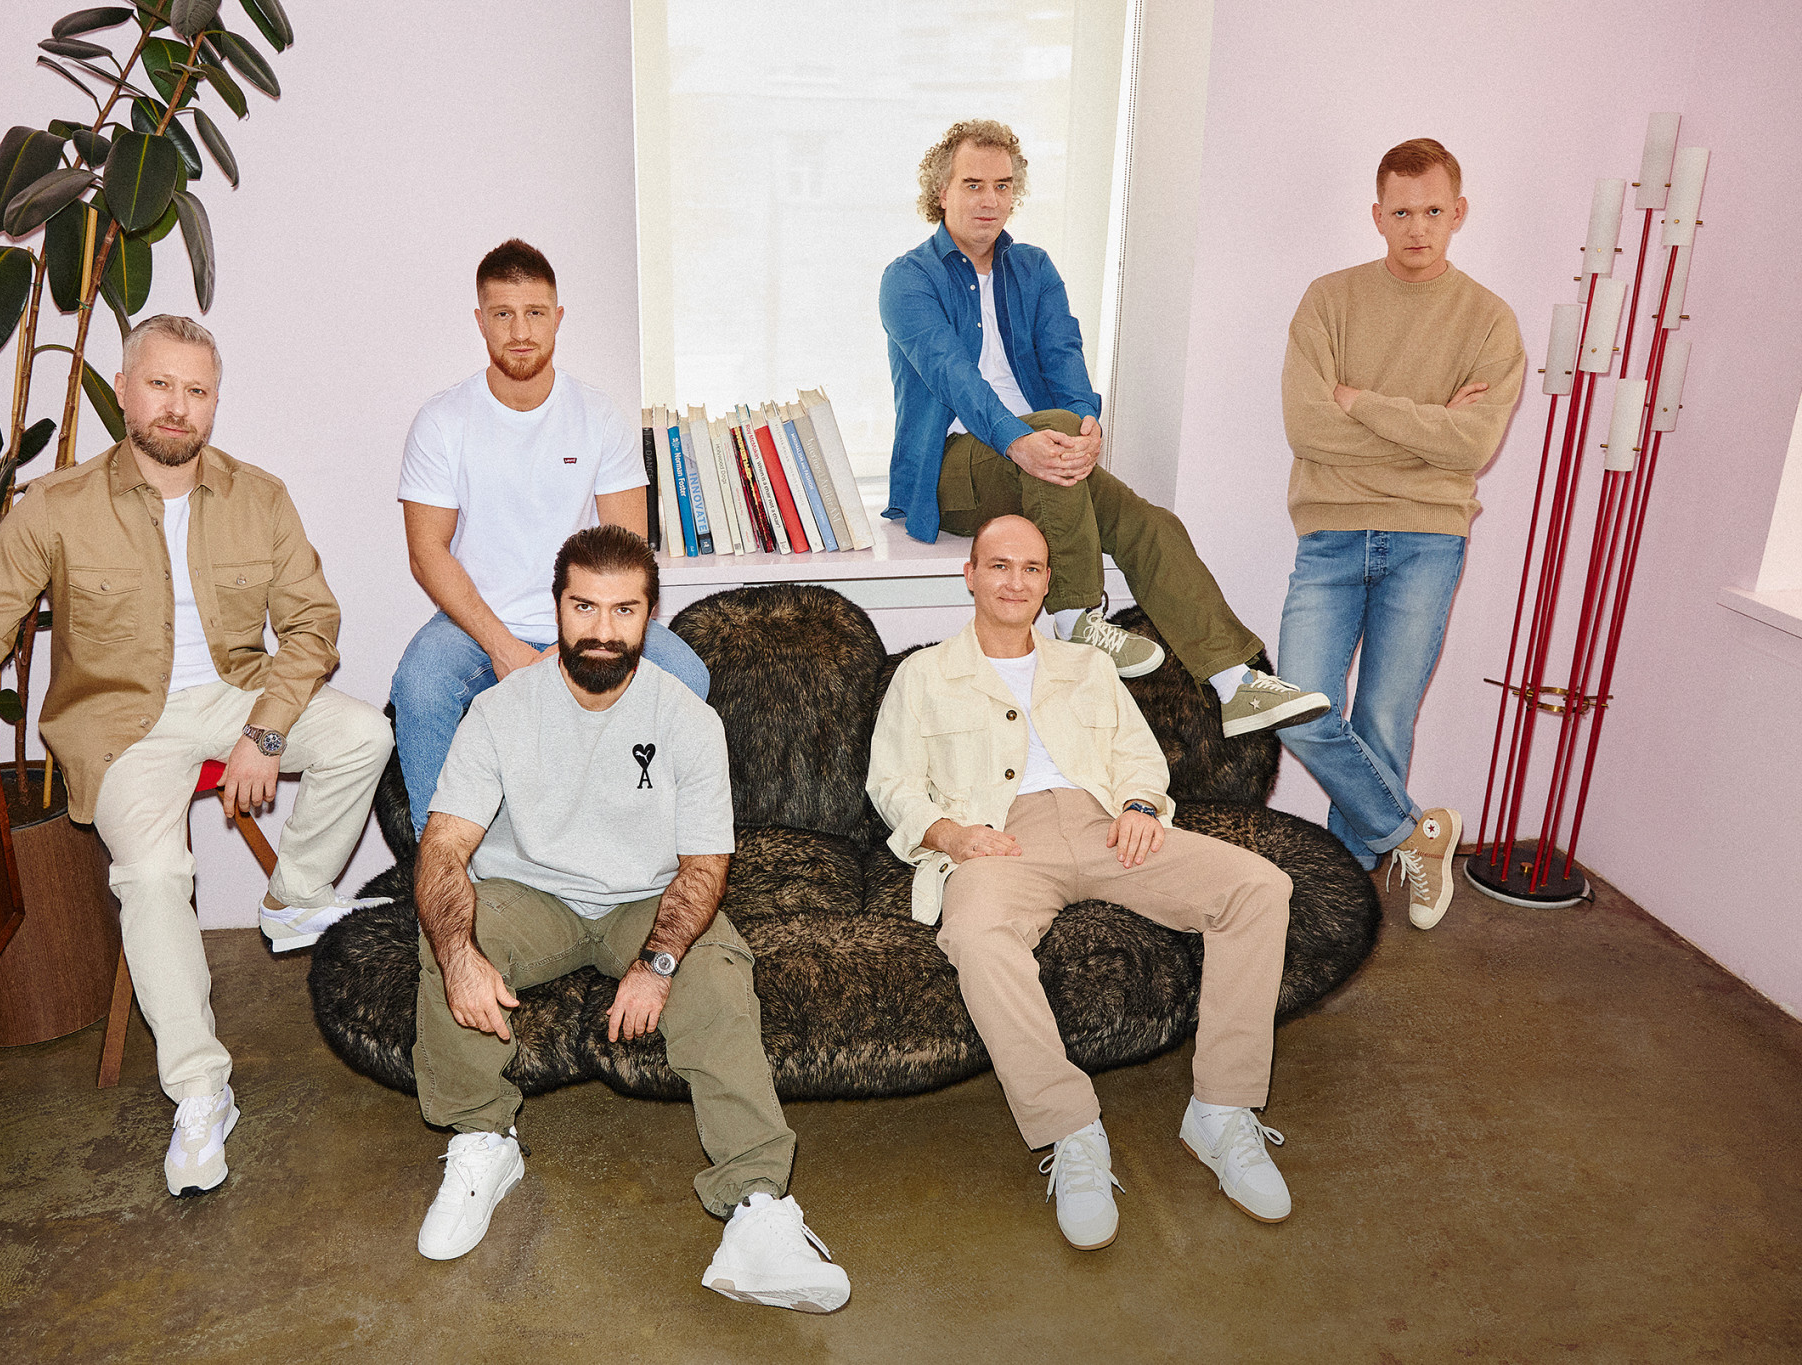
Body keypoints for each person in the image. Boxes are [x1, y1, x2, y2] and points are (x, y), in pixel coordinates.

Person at [0, 315, 392, 1198]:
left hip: (236, 693)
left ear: (214, 401)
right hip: (123, 724)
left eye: (197, 390)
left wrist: (264, 731)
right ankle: (201, 1092)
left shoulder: (259, 496)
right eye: (160, 385)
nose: (178, 406)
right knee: (153, 874)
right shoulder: (56, 505)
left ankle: (293, 896)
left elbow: (311, 626)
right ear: (126, 389)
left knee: (365, 733)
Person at [410, 525, 850, 1312]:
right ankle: (482, 1140)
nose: (603, 630)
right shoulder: (499, 711)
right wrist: (459, 954)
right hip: (533, 894)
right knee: (447, 932)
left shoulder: (687, 718)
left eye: (624, 610)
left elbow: (704, 865)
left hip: (644, 899)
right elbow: (443, 845)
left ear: (650, 615)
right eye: (584, 606)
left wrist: (659, 963)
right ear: (557, 607)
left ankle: (757, 1206)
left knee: (716, 970)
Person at [867, 514, 1299, 1246]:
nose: (1015, 581)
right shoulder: (923, 675)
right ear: (970, 576)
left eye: (1031, 568)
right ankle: (1072, 1131)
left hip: (1106, 828)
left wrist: (1140, 805)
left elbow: (1139, 758)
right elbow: (892, 783)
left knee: (1259, 888)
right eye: (999, 565)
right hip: (1000, 841)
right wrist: (950, 834)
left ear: (1046, 583)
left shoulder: (1088, 667)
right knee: (975, 934)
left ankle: (1221, 1112)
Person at [880, 118, 1326, 738]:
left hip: (1044, 460)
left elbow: (1065, 356)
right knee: (1055, 424)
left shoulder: (1033, 268)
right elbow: (954, 378)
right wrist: (1024, 439)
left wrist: (1085, 426)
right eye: (973, 184)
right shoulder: (907, 279)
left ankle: (1235, 683)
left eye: (1003, 186)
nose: (990, 200)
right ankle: (1074, 616)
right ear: (941, 191)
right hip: (955, 470)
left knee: (1151, 524)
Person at [1277, 137, 1524, 929]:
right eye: (1402, 211)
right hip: (1331, 532)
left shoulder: (1489, 320)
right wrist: (1428, 430)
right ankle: (1416, 836)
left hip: (1429, 540)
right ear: (1377, 214)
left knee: (1384, 720)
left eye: (1434, 210)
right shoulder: (1329, 299)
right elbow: (1307, 427)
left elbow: (1472, 445)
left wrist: (1362, 403)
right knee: (1297, 702)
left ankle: (1345, 894)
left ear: (1459, 212)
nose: (1419, 227)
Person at [391, 239, 710, 835]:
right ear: (480, 320)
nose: (520, 331)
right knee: (419, 685)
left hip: (587, 616)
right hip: (475, 622)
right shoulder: (442, 421)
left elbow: (627, 555)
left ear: (558, 318)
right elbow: (426, 553)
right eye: (503, 314)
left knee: (688, 677)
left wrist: (575, 643)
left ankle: (642, 844)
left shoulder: (599, 416)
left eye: (535, 313)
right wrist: (503, 648)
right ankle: (440, 863)